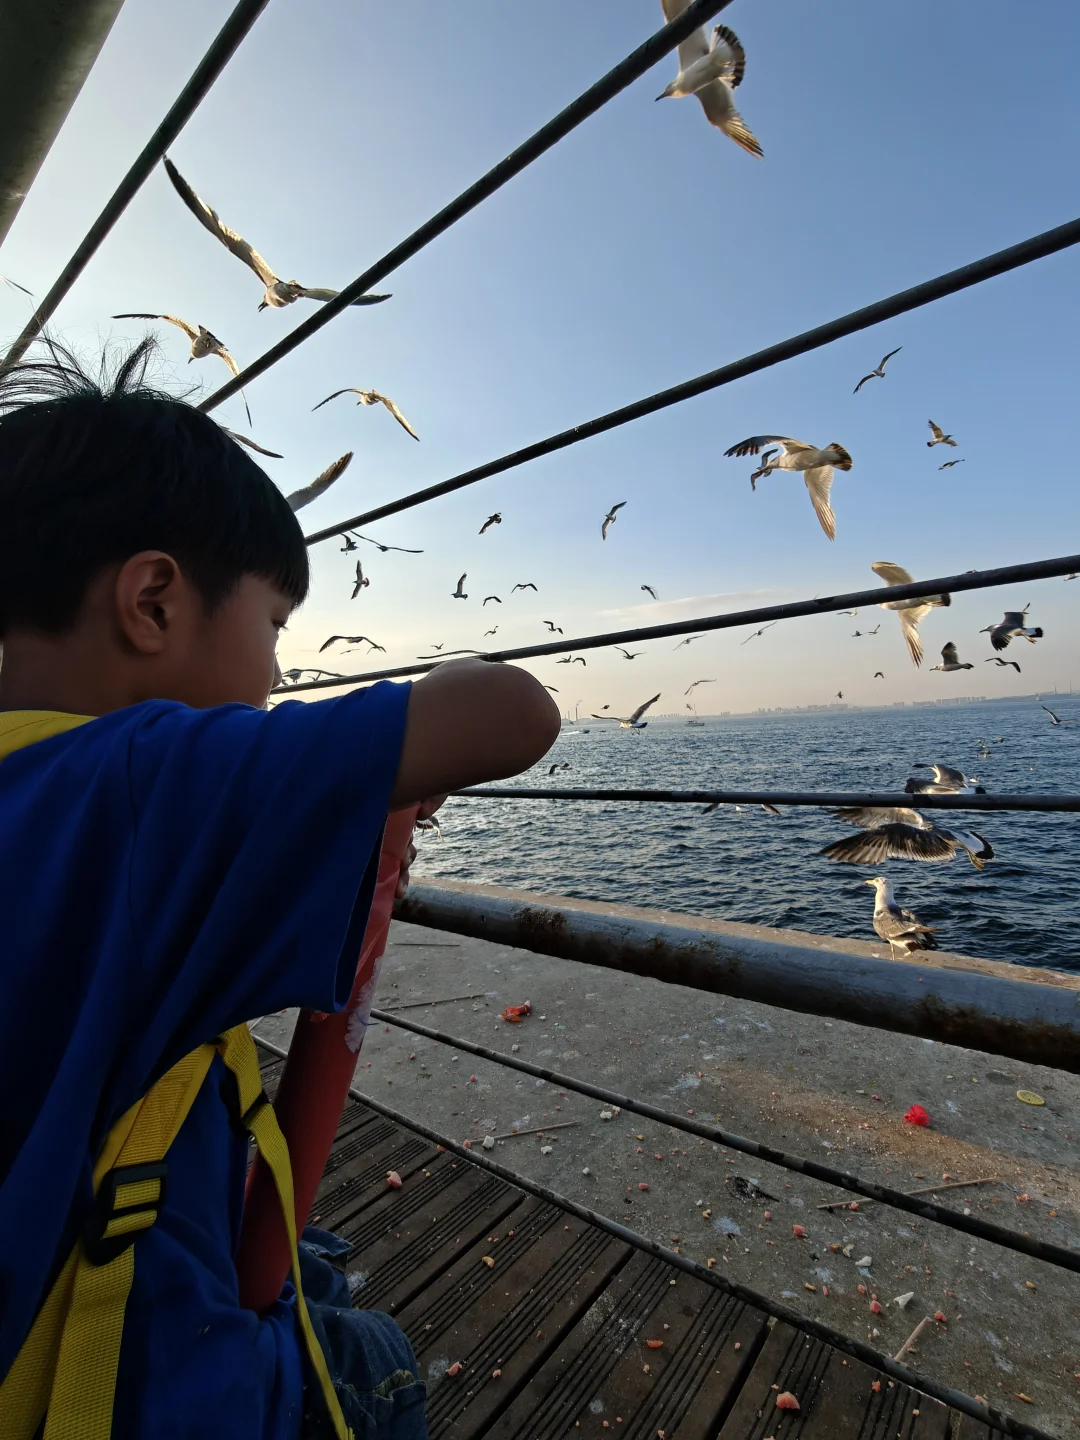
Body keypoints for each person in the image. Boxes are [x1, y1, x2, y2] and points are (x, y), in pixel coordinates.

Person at [0, 339, 560, 1438]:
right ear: (153, 602)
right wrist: (372, 768)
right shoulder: (146, 780)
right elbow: (513, 713)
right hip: (125, 1381)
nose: (277, 674)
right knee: (374, 1360)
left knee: (315, 1256)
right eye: (273, 628)